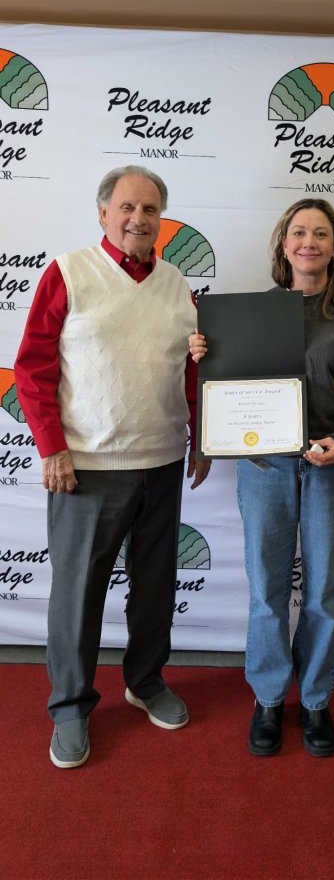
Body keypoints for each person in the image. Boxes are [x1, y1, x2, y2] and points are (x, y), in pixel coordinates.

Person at [14, 165, 211, 769]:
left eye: (149, 209)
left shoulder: (178, 285)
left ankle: (145, 681)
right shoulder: (69, 272)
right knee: (78, 595)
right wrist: (52, 447)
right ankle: (71, 706)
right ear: (103, 213)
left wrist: (202, 438)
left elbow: (191, 370)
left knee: (155, 587)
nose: (138, 219)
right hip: (85, 467)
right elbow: (32, 367)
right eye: (126, 207)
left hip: (162, 460)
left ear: (161, 219)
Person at [190, 199, 334, 757]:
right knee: (267, 590)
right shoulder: (251, 313)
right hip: (264, 467)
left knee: (324, 592)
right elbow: (227, 390)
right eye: (299, 232)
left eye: (320, 233)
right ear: (284, 244)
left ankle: (317, 700)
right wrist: (207, 354)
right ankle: (269, 697)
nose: (309, 242)